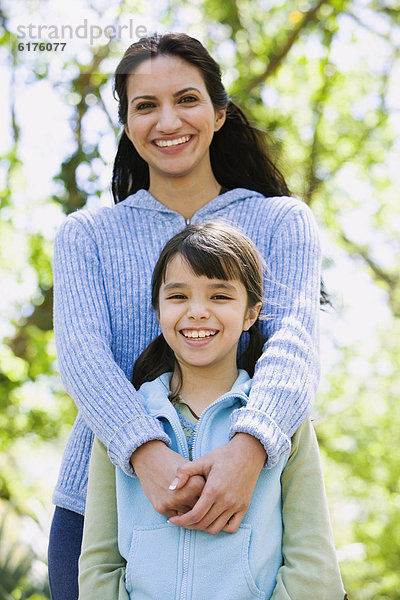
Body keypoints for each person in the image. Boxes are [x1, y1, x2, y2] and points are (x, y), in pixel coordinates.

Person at [48, 32, 324, 599]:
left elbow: (293, 346)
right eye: (145, 106)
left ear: (220, 113)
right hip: (99, 508)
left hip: (254, 501)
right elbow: (82, 356)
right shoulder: (87, 235)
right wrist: (146, 456)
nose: (167, 120)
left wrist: (249, 454)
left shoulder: (280, 222)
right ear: (126, 124)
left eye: (187, 99)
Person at [78, 222, 346, 599]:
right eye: (178, 297)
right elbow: (99, 563)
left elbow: (313, 562)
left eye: (220, 296)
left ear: (252, 313)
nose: (198, 312)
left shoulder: (286, 423)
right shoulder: (123, 421)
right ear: (157, 309)